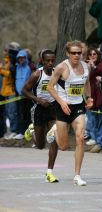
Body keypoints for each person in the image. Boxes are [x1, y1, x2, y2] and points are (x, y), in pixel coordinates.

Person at [47, 40, 93, 186]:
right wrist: (61, 102)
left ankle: (77, 176)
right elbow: (50, 87)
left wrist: (89, 98)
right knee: (64, 147)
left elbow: (86, 83)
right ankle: (54, 133)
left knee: (80, 138)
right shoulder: (61, 67)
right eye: (73, 53)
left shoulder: (86, 67)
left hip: (78, 106)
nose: (76, 55)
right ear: (67, 53)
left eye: (79, 53)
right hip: (63, 107)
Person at [23, 49, 59, 182]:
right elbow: (24, 91)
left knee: (54, 138)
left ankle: (50, 172)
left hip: (53, 108)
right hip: (38, 109)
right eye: (47, 61)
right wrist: (38, 100)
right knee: (40, 145)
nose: (50, 63)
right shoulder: (37, 74)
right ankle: (31, 129)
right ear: (42, 61)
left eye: (52, 60)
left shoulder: (57, 73)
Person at [85, 47, 102, 153]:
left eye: (94, 54)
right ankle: (96, 140)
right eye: (90, 54)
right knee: (92, 121)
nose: (92, 56)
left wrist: (93, 67)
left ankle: (101, 142)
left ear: (98, 55)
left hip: (101, 96)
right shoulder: (86, 66)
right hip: (91, 96)